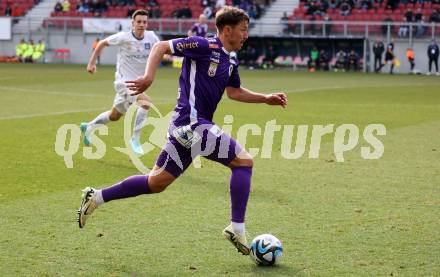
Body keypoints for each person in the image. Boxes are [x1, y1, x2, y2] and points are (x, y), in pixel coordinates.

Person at [77, 6, 287, 256]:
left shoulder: (230, 58)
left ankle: (97, 196)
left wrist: (265, 98)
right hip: (192, 124)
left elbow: (234, 92)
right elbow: (160, 47)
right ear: (228, 30)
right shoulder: (203, 46)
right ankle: (236, 228)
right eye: (243, 30)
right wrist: (148, 77)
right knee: (243, 162)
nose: (246, 35)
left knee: (156, 182)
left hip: (190, 128)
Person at [81, 9, 160, 155]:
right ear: (132, 23)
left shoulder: (151, 37)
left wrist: (178, 57)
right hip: (123, 82)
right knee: (146, 102)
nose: (142, 24)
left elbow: (162, 50)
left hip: (137, 83)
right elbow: (101, 43)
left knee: (114, 115)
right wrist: (92, 63)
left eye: (145, 22)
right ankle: (135, 140)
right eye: (139, 22)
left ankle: (88, 127)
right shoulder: (123, 37)